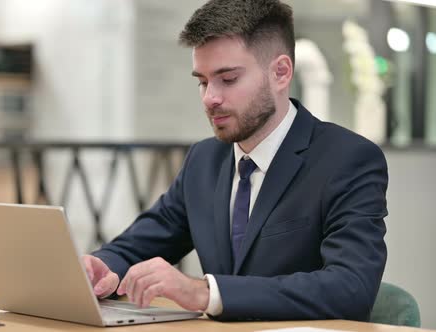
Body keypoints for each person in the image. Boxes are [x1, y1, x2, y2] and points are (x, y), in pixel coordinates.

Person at [82, 0, 388, 322]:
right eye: (202, 81)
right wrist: (101, 266)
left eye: (227, 79)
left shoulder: (348, 160)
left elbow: (350, 289)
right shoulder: (203, 160)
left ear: (281, 73)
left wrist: (205, 292)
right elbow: (134, 248)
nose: (209, 98)